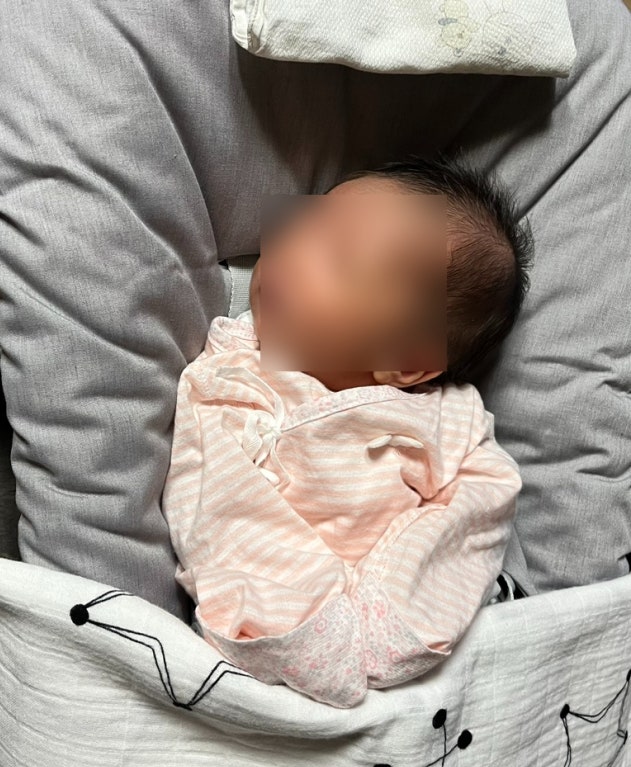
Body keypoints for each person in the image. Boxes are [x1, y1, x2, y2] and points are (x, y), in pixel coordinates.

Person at [161, 155, 533, 708]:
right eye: (303, 227)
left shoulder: (450, 418)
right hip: (283, 634)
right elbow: (219, 502)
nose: (291, 253)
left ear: (406, 360)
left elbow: (480, 508)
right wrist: (310, 627)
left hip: (410, 639)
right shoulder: (233, 376)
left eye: (339, 260)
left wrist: (386, 611)